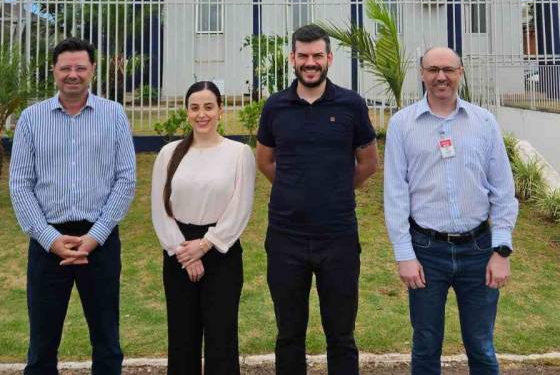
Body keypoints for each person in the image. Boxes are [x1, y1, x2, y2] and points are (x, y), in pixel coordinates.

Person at [383, 46, 518, 375]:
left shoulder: (484, 122)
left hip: (479, 250)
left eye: (448, 69)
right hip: (426, 251)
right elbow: (396, 193)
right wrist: (404, 254)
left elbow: (503, 190)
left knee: (482, 346)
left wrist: (501, 251)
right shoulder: (402, 125)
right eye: (432, 70)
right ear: (422, 73)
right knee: (426, 345)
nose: (440, 76)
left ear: (460, 73)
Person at [256, 24, 379, 375]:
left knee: (341, 335)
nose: (310, 63)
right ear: (292, 59)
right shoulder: (276, 107)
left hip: (338, 237)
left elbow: (368, 163)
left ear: (329, 58)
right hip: (285, 238)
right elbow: (265, 161)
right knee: (288, 334)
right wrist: (295, 189)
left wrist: (335, 188)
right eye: (303, 56)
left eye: (317, 56)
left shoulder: (351, 105)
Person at [9, 37, 136, 375]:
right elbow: (20, 184)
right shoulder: (31, 119)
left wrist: (95, 237)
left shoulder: (114, 116)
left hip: (101, 242)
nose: (73, 74)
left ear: (93, 69)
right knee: (41, 348)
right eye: (65, 67)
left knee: (107, 344)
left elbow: (126, 180)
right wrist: (50, 239)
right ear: (54, 71)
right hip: (48, 244)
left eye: (80, 67)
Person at [151, 81, 255, 375]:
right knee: (182, 338)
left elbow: (240, 208)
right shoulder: (169, 154)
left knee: (221, 338)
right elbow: (160, 209)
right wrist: (183, 252)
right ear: (187, 112)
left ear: (220, 110)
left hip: (221, 253)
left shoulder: (238, 153)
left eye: (209, 107)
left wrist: (205, 245)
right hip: (178, 254)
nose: (202, 114)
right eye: (195, 108)